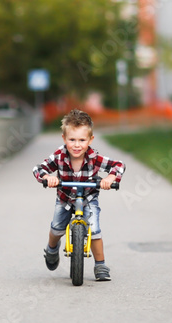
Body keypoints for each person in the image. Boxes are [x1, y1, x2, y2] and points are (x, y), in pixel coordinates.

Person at [33, 109, 125, 281]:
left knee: (95, 230)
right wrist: (47, 177)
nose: (77, 145)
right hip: (65, 198)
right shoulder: (59, 155)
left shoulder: (94, 157)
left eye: (82, 140)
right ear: (64, 139)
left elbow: (118, 165)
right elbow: (39, 168)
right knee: (56, 228)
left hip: (88, 198)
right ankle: (52, 249)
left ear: (90, 140)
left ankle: (100, 265)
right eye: (72, 140)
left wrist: (110, 177)